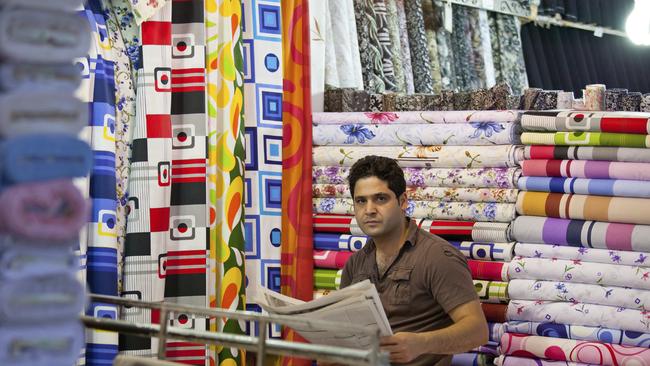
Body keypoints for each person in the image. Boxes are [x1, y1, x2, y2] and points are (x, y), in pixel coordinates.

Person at [339, 155, 488, 365]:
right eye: (361, 201)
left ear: (402, 202)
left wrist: (421, 343)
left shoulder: (437, 256)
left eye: (380, 198)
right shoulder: (355, 264)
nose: (369, 210)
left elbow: (477, 331)